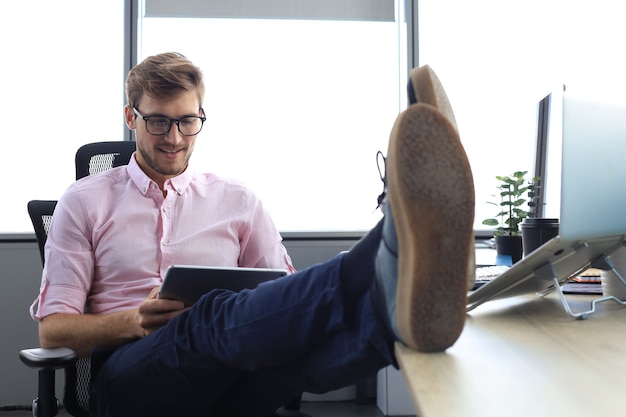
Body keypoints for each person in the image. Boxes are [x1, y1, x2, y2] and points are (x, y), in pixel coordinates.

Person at [30, 52, 475, 417]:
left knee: (284, 361)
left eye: (187, 121)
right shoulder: (84, 200)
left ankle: (393, 325)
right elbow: (53, 332)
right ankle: (388, 249)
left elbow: (285, 295)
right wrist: (130, 322)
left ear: (201, 116)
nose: (175, 137)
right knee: (205, 317)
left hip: (229, 374)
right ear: (131, 116)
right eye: (159, 122)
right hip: (129, 379)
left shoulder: (237, 200)